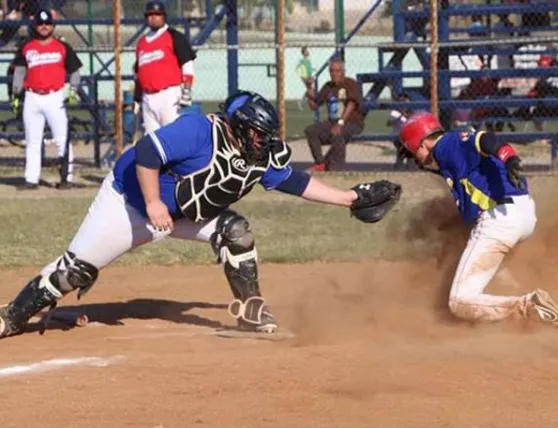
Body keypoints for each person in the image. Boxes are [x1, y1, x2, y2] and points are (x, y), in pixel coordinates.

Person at [0, 90, 401, 339]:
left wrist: (348, 198)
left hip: (183, 212)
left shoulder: (253, 153)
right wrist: (154, 203)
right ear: (239, 128)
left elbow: (294, 183)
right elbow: (145, 154)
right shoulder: (197, 131)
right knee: (74, 273)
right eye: (258, 134)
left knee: (236, 231)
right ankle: (13, 317)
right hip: (130, 203)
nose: (264, 141)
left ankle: (250, 309)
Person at [398, 112, 558, 328]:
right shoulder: (448, 158)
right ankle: (525, 319)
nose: (414, 159)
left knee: (459, 301)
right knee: (497, 276)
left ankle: (530, 307)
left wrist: (510, 157)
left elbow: (486, 139)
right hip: (522, 214)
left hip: (500, 220)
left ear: (420, 144)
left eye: (412, 152)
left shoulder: (447, 145)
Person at [10, 9, 82, 190]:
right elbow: (19, 71)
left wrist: (73, 89)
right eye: (40, 24)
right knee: (32, 140)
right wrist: (16, 93)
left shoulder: (62, 47)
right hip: (32, 97)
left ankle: (66, 177)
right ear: (35, 26)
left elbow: (74, 70)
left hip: (54, 97)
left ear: (52, 25)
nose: (44, 27)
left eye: (47, 24)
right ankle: (31, 179)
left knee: (62, 139)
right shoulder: (27, 47)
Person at [134, 0, 197, 134]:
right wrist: (137, 98)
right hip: (147, 97)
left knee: (173, 136)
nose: (153, 17)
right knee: (152, 141)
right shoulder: (141, 43)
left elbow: (187, 63)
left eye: (157, 14)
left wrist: (186, 91)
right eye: (150, 15)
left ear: (163, 16)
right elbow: (139, 74)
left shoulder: (174, 36)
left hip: (168, 95)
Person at [304, 57, 365, 172]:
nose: (334, 73)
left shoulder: (350, 83)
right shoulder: (328, 86)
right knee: (311, 130)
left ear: (343, 72)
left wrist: (340, 123)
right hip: (332, 122)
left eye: (337, 71)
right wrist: (308, 88)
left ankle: (336, 169)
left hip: (351, 122)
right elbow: (315, 105)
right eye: (331, 71)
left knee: (338, 134)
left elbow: (351, 104)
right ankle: (321, 163)